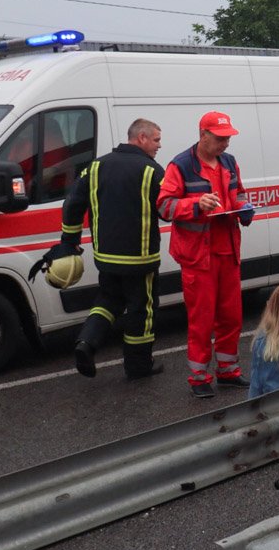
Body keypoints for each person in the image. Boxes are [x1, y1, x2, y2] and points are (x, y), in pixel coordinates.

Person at [158, 111, 255, 399]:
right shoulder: (181, 165)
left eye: (228, 138)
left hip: (227, 252)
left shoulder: (228, 162)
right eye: (221, 138)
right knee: (201, 319)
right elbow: (164, 206)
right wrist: (196, 205)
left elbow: (237, 193)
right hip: (198, 256)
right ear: (203, 135)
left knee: (231, 316)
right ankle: (199, 377)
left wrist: (244, 208)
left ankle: (228, 372)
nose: (226, 143)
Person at [62, 119, 166, 380]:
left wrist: (70, 239)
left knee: (107, 301)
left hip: (106, 257)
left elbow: (73, 203)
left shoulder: (95, 167)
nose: (159, 145)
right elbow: (167, 210)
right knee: (141, 310)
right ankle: (138, 366)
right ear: (141, 138)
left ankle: (86, 343)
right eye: (156, 140)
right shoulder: (152, 170)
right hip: (140, 259)